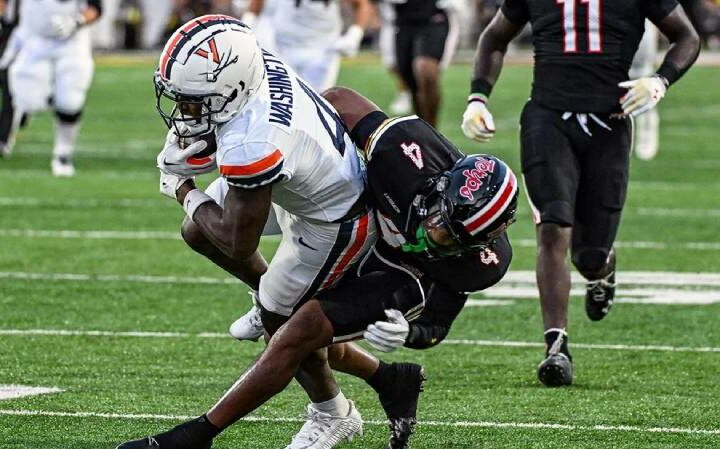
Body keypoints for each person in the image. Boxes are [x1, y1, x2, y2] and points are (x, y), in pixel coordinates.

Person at [116, 86, 517, 449]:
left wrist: (410, 330)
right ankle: (382, 375)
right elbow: (338, 99)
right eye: (437, 218)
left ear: (476, 243)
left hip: (401, 274)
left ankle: (197, 436)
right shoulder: (406, 151)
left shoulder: (481, 265)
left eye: (447, 236)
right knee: (202, 232)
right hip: (348, 212)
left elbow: (438, 324)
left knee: (297, 331)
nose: (432, 231)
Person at [153, 14, 378, 446]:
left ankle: (333, 413)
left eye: (193, 101)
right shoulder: (255, 62)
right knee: (198, 230)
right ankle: (267, 289)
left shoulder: (252, 142)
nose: (185, 112)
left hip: (334, 219)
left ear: (228, 90)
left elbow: (239, 242)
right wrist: (207, 148)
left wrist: (182, 188)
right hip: (300, 177)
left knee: (284, 325)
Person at [461, 0, 700, 387]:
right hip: (547, 119)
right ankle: (556, 347)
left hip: (611, 121)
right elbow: (494, 38)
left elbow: (687, 37)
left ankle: (602, 268)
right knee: (553, 227)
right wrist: (477, 97)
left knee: (588, 257)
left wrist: (660, 80)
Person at [0, 0, 102, 175]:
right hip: (34, 40)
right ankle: (41, 100)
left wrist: (77, 21)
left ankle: (63, 153)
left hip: (72, 43)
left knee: (70, 101)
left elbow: (95, 8)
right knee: (26, 100)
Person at [240, 0, 371, 92]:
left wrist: (354, 35)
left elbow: (361, 5)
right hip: (282, 46)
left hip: (321, 49)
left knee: (318, 104)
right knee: (281, 100)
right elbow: (256, 4)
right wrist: (245, 28)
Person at [387, 0, 462, 127]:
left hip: (434, 15)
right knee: (410, 79)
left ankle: (433, 132)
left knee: (425, 70)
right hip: (402, 19)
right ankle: (424, 130)